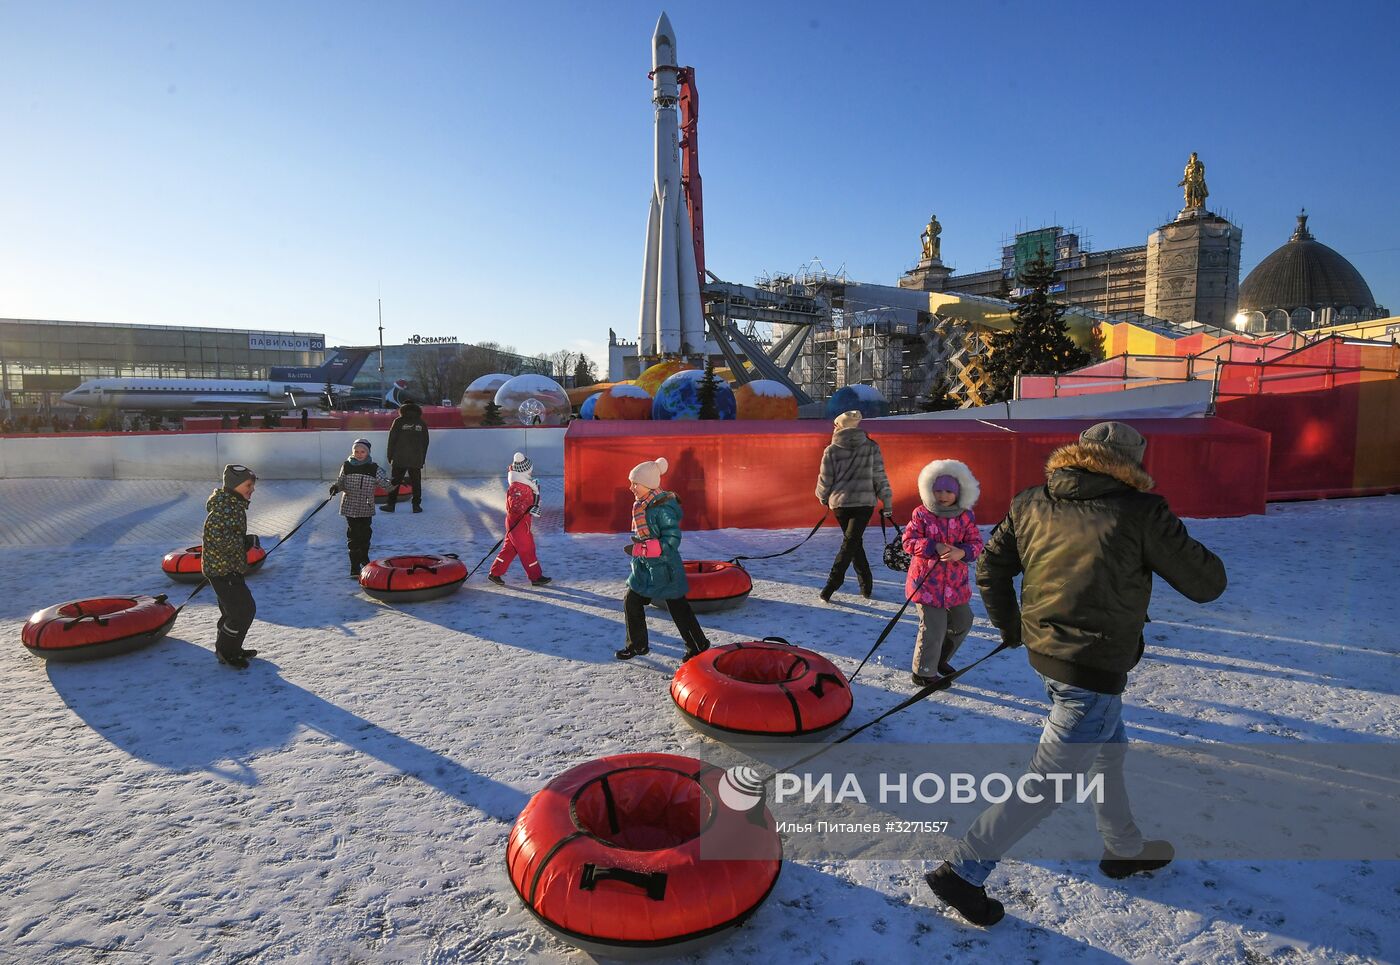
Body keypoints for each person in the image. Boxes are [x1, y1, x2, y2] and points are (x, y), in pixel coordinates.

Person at [926, 421, 1227, 927]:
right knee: (1048, 781)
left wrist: (1015, 629)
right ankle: (963, 870)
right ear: (1132, 465)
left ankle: (1124, 846)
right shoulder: (1140, 511)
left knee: (1110, 750)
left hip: (1052, 657)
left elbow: (991, 567)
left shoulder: (1030, 501)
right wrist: (1161, 529)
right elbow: (1208, 583)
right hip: (1092, 666)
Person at [615, 457, 710, 663]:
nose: (631, 487)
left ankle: (698, 645)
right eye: (631, 482)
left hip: (665, 568)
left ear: (648, 485)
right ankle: (637, 645)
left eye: (635, 483)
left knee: (678, 608)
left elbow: (671, 540)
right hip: (645, 567)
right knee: (631, 602)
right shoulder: (642, 505)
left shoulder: (663, 508)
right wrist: (640, 548)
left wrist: (641, 548)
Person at [902, 459, 983, 686]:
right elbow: (908, 541)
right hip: (926, 584)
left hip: (955, 584)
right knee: (934, 628)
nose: (943, 495)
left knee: (963, 621)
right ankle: (924, 672)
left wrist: (963, 552)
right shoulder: (921, 514)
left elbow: (976, 543)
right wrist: (932, 547)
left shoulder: (965, 516)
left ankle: (939, 658)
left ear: (959, 492)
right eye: (938, 490)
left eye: (949, 491)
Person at [815, 409, 893, 601]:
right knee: (853, 543)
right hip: (865, 503)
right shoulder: (871, 447)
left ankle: (833, 583)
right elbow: (879, 476)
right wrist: (887, 501)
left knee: (850, 542)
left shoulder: (831, 450)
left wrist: (822, 497)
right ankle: (866, 584)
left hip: (840, 503)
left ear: (840, 426)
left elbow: (825, 479)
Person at [203, 464, 260, 670]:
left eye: (252, 485)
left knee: (232, 611)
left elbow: (228, 535)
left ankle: (231, 648)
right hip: (222, 570)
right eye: (248, 485)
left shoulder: (232, 505)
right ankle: (226, 651)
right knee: (243, 611)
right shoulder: (224, 508)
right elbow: (218, 538)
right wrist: (242, 543)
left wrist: (244, 540)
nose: (252, 489)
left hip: (228, 567)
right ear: (235, 485)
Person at [487, 452, 551, 587]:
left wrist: (534, 498)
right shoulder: (517, 486)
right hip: (518, 523)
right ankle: (536, 577)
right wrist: (528, 509)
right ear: (525, 470)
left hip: (519, 522)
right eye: (530, 469)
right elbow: (515, 505)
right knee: (527, 549)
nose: (531, 471)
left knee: (510, 549)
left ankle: (495, 573)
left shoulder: (524, 483)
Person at [329, 438, 390, 578]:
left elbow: (386, 484)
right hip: (350, 506)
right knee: (353, 535)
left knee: (365, 534)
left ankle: (364, 558)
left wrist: (397, 482)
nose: (359, 454)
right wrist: (335, 488)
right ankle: (354, 567)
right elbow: (341, 482)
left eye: (362, 451)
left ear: (368, 452)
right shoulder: (346, 466)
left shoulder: (374, 468)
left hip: (366, 507)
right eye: (356, 451)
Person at [383, 401, 430, 513]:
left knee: (394, 482)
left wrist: (390, 456)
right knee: (416, 483)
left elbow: (392, 440)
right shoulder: (421, 423)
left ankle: (391, 505)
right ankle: (416, 506)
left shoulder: (398, 421)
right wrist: (422, 459)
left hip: (399, 457)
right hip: (416, 458)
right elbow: (425, 442)